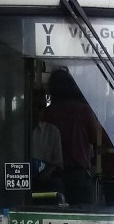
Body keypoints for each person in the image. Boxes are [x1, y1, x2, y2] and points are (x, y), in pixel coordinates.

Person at [44, 68, 98, 205]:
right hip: (79, 175)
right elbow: (97, 139)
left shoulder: (48, 112)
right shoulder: (84, 110)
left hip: (53, 175)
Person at [31, 89, 64, 195]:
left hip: (43, 182)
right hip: (18, 179)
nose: (36, 111)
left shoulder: (52, 132)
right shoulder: (13, 130)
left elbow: (57, 163)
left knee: (56, 184)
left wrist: (46, 173)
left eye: (40, 107)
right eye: (33, 105)